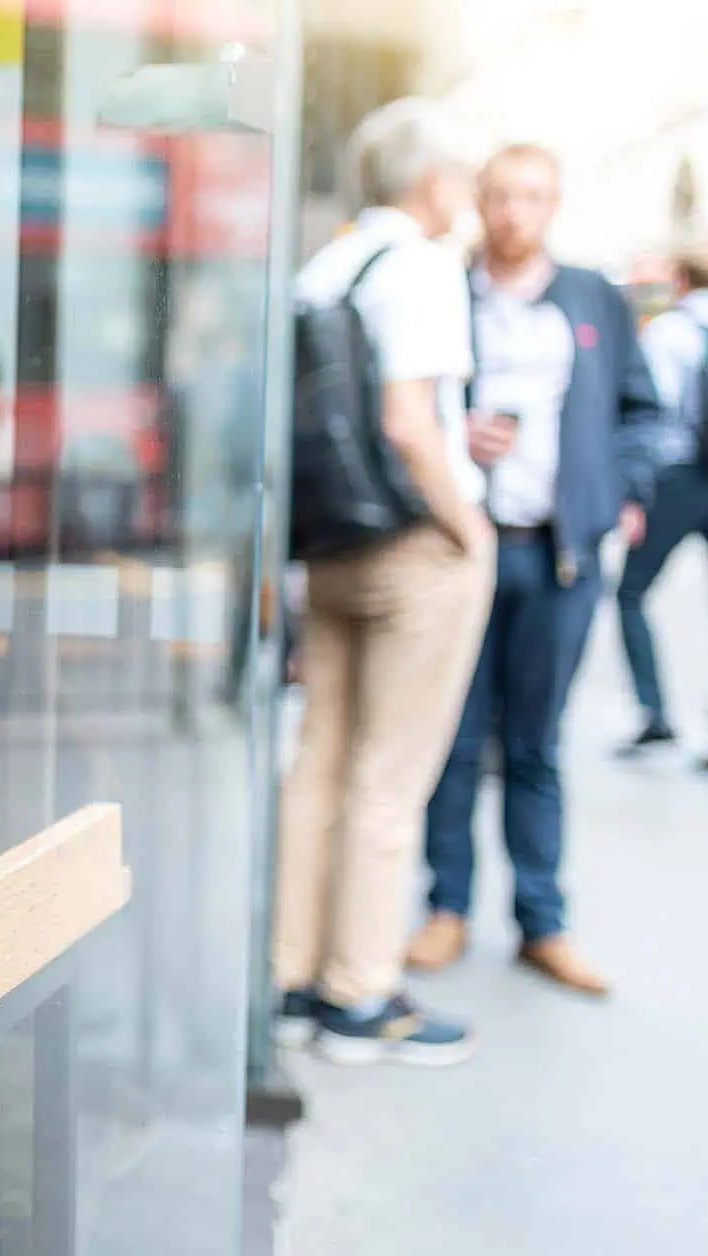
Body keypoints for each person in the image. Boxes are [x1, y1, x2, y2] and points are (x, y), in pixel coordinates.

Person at [270, 99, 496, 1066]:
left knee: (319, 763)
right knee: (391, 777)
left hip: (330, 547)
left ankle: (291, 976)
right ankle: (358, 995)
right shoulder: (424, 269)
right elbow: (411, 422)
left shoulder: (330, 262)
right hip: (411, 548)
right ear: (436, 182)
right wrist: (468, 526)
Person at [408, 143, 661, 998]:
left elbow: (642, 411)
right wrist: (459, 437)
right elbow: (408, 403)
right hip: (467, 546)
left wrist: (626, 492)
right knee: (452, 738)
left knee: (536, 744)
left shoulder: (592, 298)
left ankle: (542, 924)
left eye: (533, 198)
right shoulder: (442, 289)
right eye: (502, 196)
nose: (515, 212)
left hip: (561, 556)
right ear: (479, 202)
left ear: (554, 206)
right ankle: (446, 909)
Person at [615, 238, 708, 760]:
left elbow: (647, 414)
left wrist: (634, 490)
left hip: (679, 478)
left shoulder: (668, 332)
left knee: (631, 592)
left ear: (680, 279)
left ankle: (654, 712)